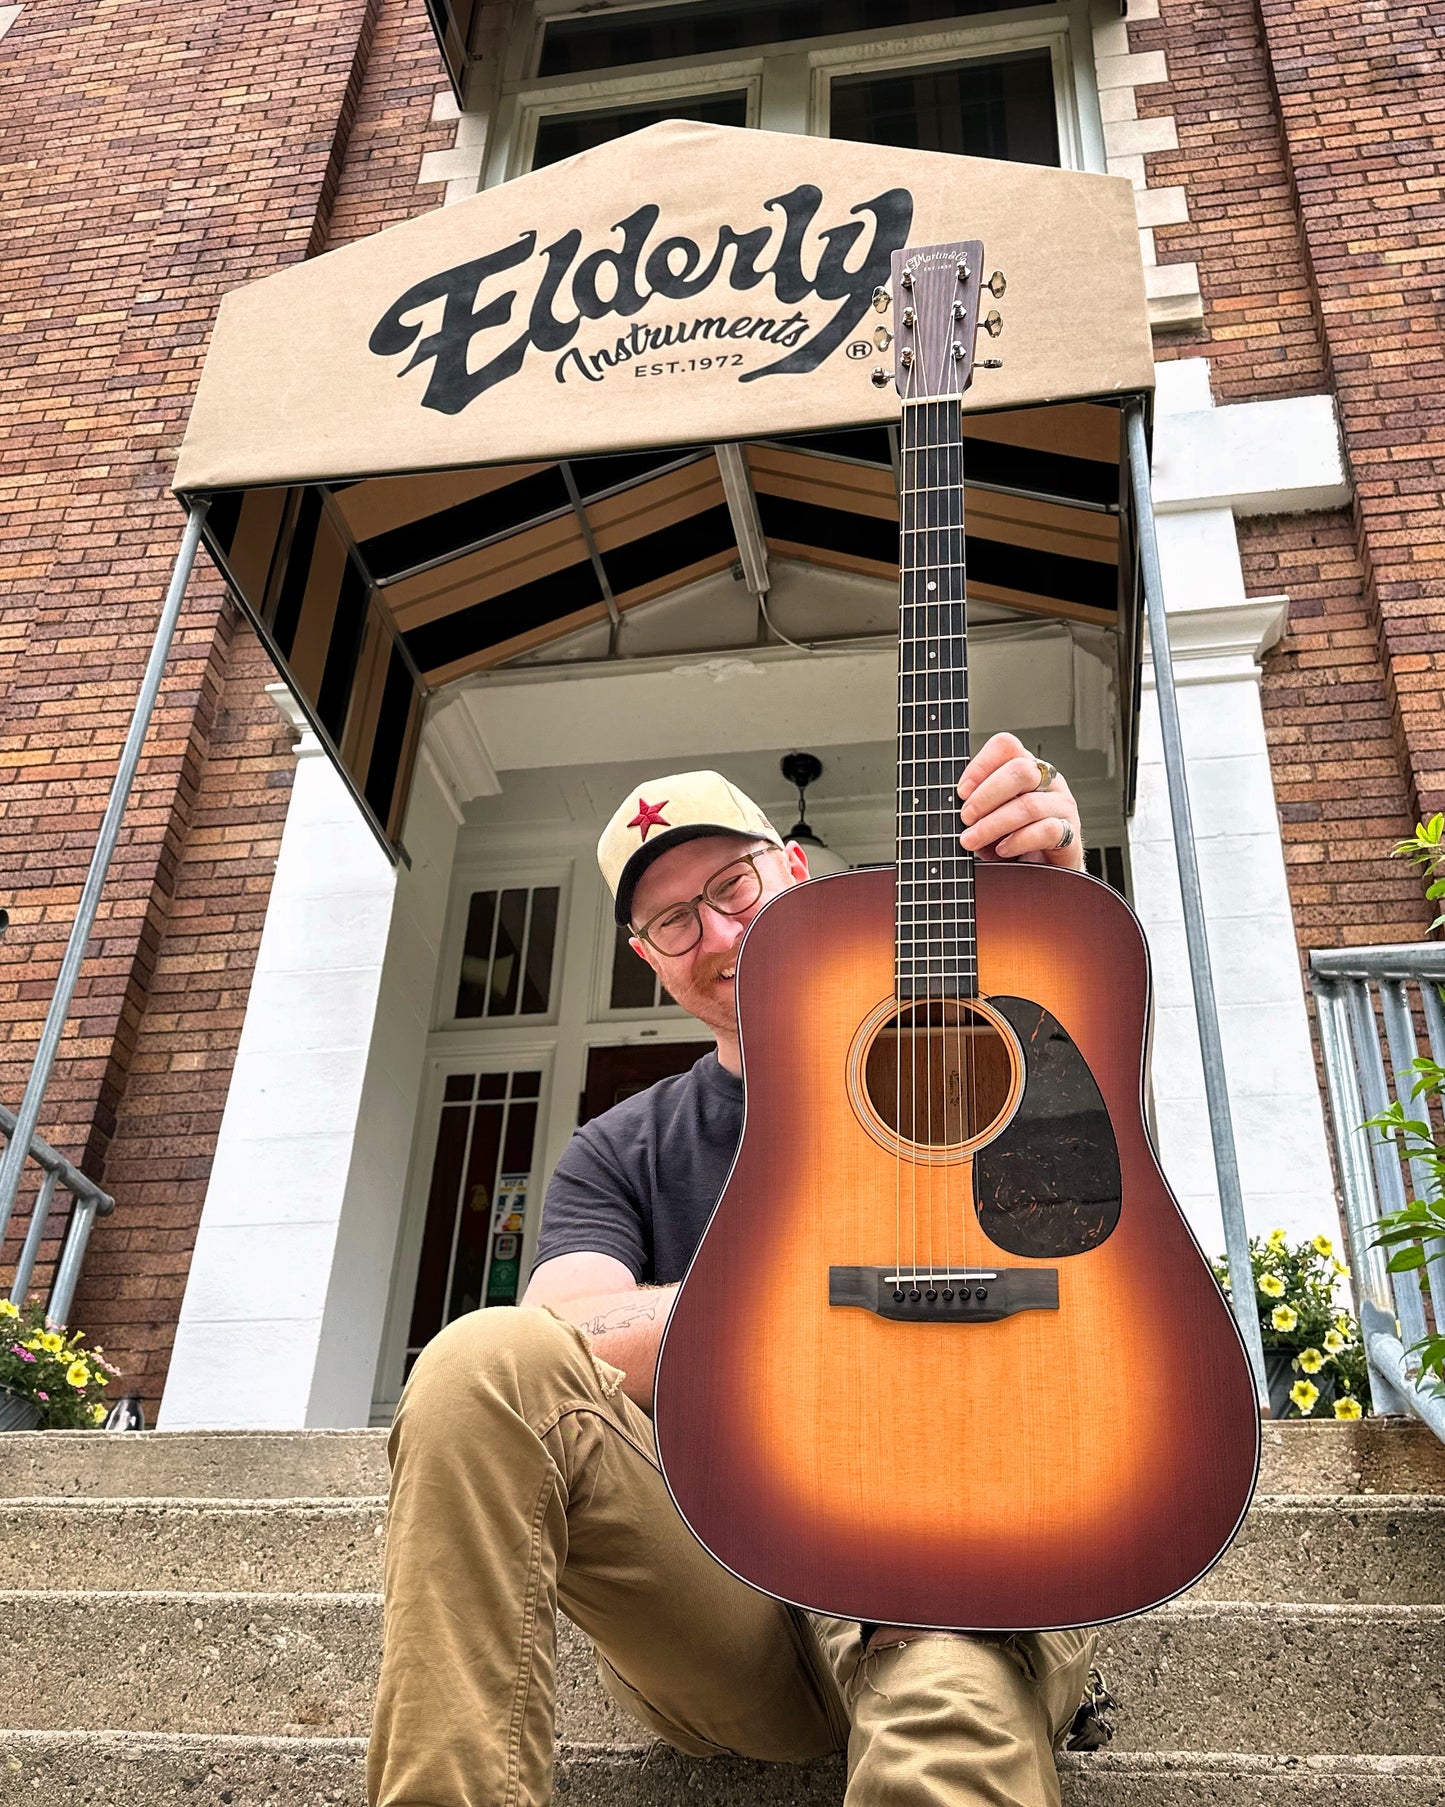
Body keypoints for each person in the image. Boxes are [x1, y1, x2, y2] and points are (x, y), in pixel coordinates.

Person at [368, 732, 1097, 1807]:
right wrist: (821, 1290)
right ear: (647, 959)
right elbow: (565, 1345)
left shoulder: (947, 1048)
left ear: (792, 869)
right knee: (483, 1356)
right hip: (725, 1598)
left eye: (732, 884)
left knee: (946, 1687)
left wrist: (1053, 894)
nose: (716, 930)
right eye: (673, 918)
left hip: (942, 1543)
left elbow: (1074, 1204)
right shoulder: (620, 1149)